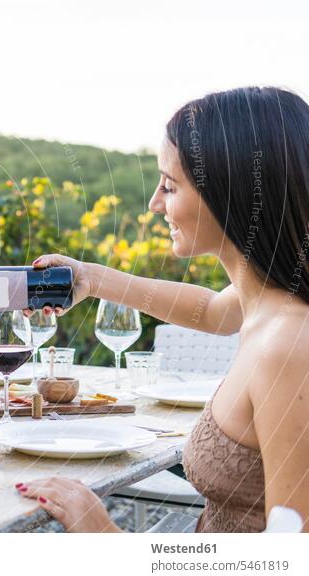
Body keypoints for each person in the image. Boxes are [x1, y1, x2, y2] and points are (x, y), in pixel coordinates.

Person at [17, 87, 309, 533]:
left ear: (230, 192)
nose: (155, 203)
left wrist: (109, 539)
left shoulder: (288, 345)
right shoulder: (272, 300)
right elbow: (211, 310)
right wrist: (92, 280)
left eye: (169, 186)